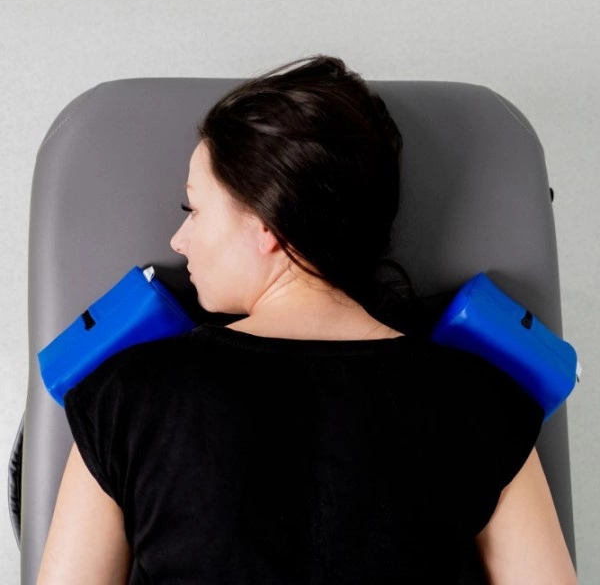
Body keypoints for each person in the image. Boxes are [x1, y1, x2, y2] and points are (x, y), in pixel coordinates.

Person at [36, 54, 578, 584]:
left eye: (193, 210)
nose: (180, 241)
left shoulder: (124, 397)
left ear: (267, 226)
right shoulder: (485, 401)